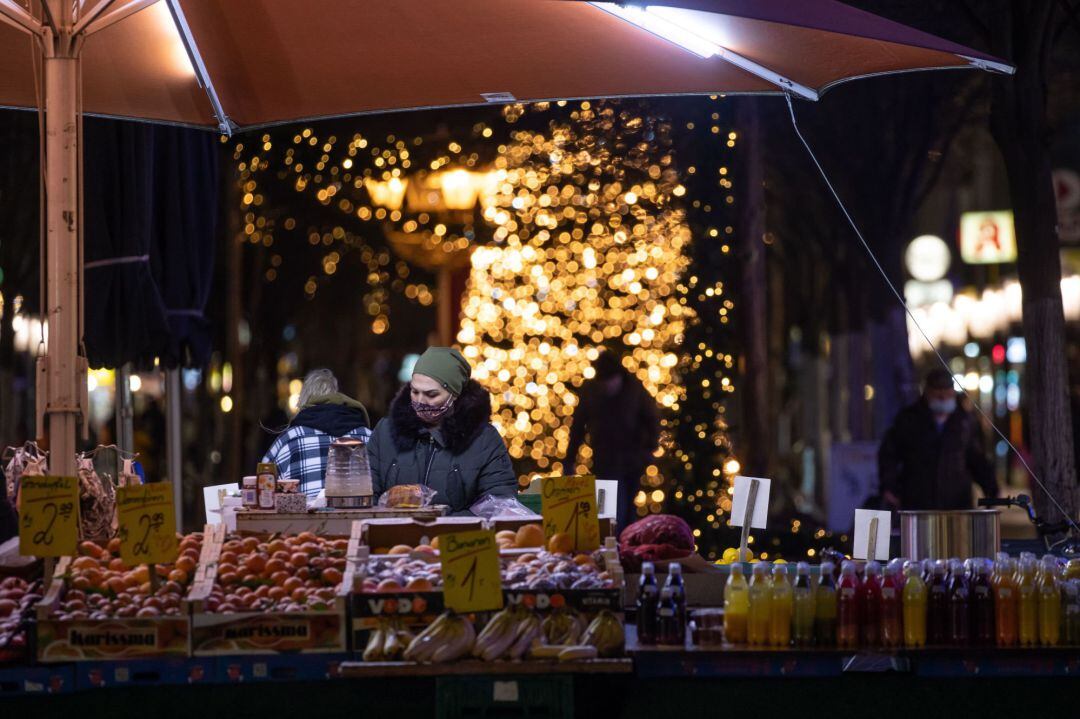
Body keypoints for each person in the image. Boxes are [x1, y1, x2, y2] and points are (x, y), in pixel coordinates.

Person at [367, 347, 517, 515]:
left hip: (454, 539)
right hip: (393, 539)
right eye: (415, 392)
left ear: (455, 393)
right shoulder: (385, 433)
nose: (420, 401)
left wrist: (440, 525)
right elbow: (366, 497)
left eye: (431, 395)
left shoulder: (484, 441)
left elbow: (497, 507)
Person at [565, 351, 660, 532]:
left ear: (618, 376)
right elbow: (577, 427)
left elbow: (651, 419)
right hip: (604, 460)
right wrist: (569, 460)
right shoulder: (591, 391)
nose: (607, 386)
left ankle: (623, 549)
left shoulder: (635, 390)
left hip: (632, 460)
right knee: (608, 513)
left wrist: (648, 449)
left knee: (627, 512)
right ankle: (611, 548)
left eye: (610, 381)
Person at [878, 368, 997, 510]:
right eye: (938, 394)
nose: (943, 398)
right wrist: (889, 487)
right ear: (927, 393)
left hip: (956, 504)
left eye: (946, 393)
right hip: (918, 502)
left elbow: (977, 459)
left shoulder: (965, 422)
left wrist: (991, 488)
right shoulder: (909, 420)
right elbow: (889, 455)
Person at [262, 369, 371, 498]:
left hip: (301, 518)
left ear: (303, 401)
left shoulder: (290, 438)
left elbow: (264, 486)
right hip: (357, 517)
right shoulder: (367, 436)